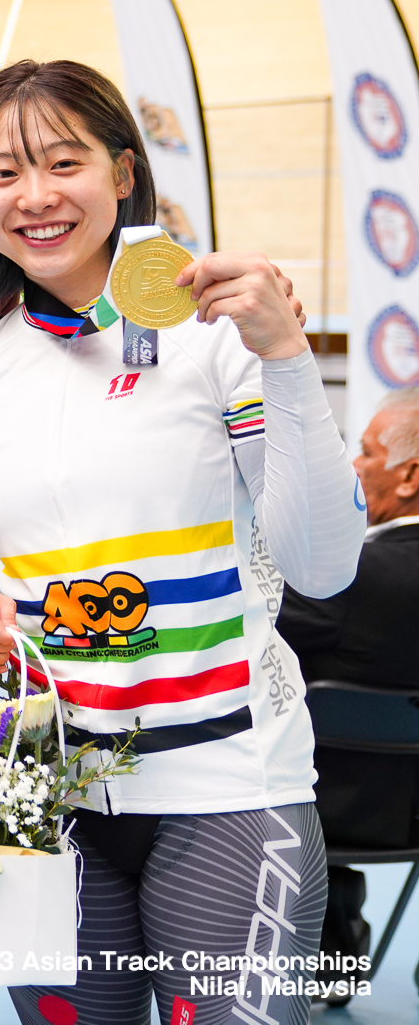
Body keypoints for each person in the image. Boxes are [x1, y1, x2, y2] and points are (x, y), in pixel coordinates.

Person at [0, 60, 364, 1025]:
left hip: (226, 780)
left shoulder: (223, 336)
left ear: (123, 173)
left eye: (62, 163)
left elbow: (325, 563)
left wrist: (287, 355)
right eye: (1, 173)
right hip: (33, 788)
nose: (35, 196)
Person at [277, 388, 419, 993]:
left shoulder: (344, 579)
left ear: (410, 476)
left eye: (363, 452)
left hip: (325, 811)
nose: (353, 467)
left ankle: (331, 941)